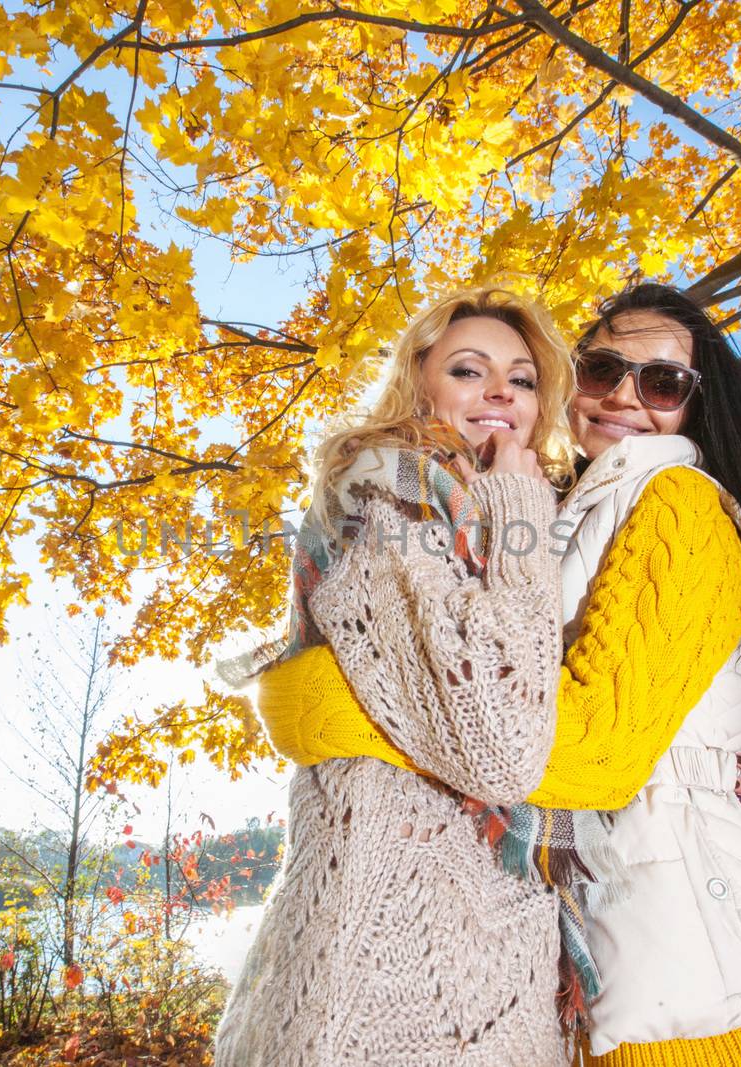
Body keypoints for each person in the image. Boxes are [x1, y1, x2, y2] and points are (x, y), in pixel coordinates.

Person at [255, 284, 741, 1065]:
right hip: (622, 991)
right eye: (601, 367)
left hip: (734, 1011)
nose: (623, 394)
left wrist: (328, 702)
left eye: (661, 382)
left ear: (697, 406)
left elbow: (590, 749)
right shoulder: (547, 515)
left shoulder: (678, 504)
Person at [213, 286, 580, 1066]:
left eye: (521, 378)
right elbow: (503, 748)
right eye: (469, 369)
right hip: (390, 969)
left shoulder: (479, 509)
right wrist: (521, 502)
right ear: (419, 382)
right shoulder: (390, 496)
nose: (499, 393)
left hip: (465, 956)